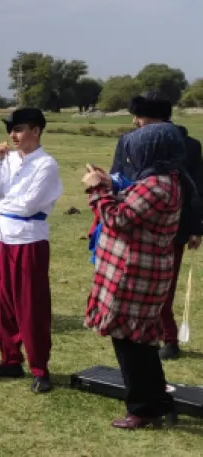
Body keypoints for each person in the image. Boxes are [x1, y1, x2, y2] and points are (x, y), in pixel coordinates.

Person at [82, 122, 184, 430]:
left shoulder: (157, 186)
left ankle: (142, 409)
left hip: (135, 274)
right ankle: (157, 402)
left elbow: (117, 218)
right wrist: (109, 185)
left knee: (130, 345)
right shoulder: (163, 181)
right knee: (140, 343)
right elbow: (129, 205)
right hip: (141, 271)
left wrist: (96, 189)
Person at [0, 108, 63, 394]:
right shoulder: (8, 159)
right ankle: (9, 359)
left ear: (36, 130)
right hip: (3, 237)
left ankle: (40, 367)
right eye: (11, 130)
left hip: (29, 239)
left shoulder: (46, 165)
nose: (13, 136)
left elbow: (28, 205)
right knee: (3, 303)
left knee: (31, 305)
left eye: (19, 129)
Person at [127, 93, 202, 361]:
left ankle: (169, 337)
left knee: (165, 286)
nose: (136, 122)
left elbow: (195, 187)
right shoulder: (130, 142)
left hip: (174, 224)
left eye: (140, 117)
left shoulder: (190, 147)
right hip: (137, 220)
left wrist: (196, 227)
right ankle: (140, 333)